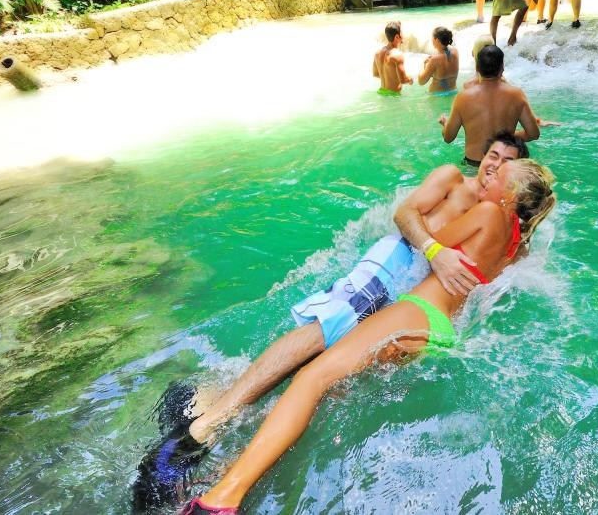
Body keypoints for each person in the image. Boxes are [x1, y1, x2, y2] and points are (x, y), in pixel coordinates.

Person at [131, 135, 530, 510]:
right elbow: (404, 214)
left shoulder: (501, 224)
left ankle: (207, 410)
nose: (494, 166)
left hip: (410, 300)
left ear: (516, 180)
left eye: (507, 163)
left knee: (326, 379)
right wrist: (433, 248)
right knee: (316, 338)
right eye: (492, 156)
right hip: (394, 268)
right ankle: (199, 433)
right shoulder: (452, 179)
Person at [439, 44, 541, 168]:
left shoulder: (463, 98)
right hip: (504, 166)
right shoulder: (517, 95)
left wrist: (445, 124)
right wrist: (505, 137)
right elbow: (533, 134)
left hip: (473, 165)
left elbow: (448, 138)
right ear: (502, 68)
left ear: (477, 68)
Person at [373, 21, 412, 93]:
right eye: (402, 33)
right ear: (397, 36)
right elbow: (403, 80)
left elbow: (375, 74)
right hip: (393, 96)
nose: (403, 35)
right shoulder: (397, 55)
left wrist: (388, 77)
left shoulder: (377, 53)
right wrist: (410, 79)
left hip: (381, 91)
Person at [418, 26, 460, 93]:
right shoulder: (455, 51)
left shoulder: (434, 60)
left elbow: (421, 81)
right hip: (453, 92)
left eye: (432, 38)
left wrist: (422, 65)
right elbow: (444, 73)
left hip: (437, 96)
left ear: (436, 40)